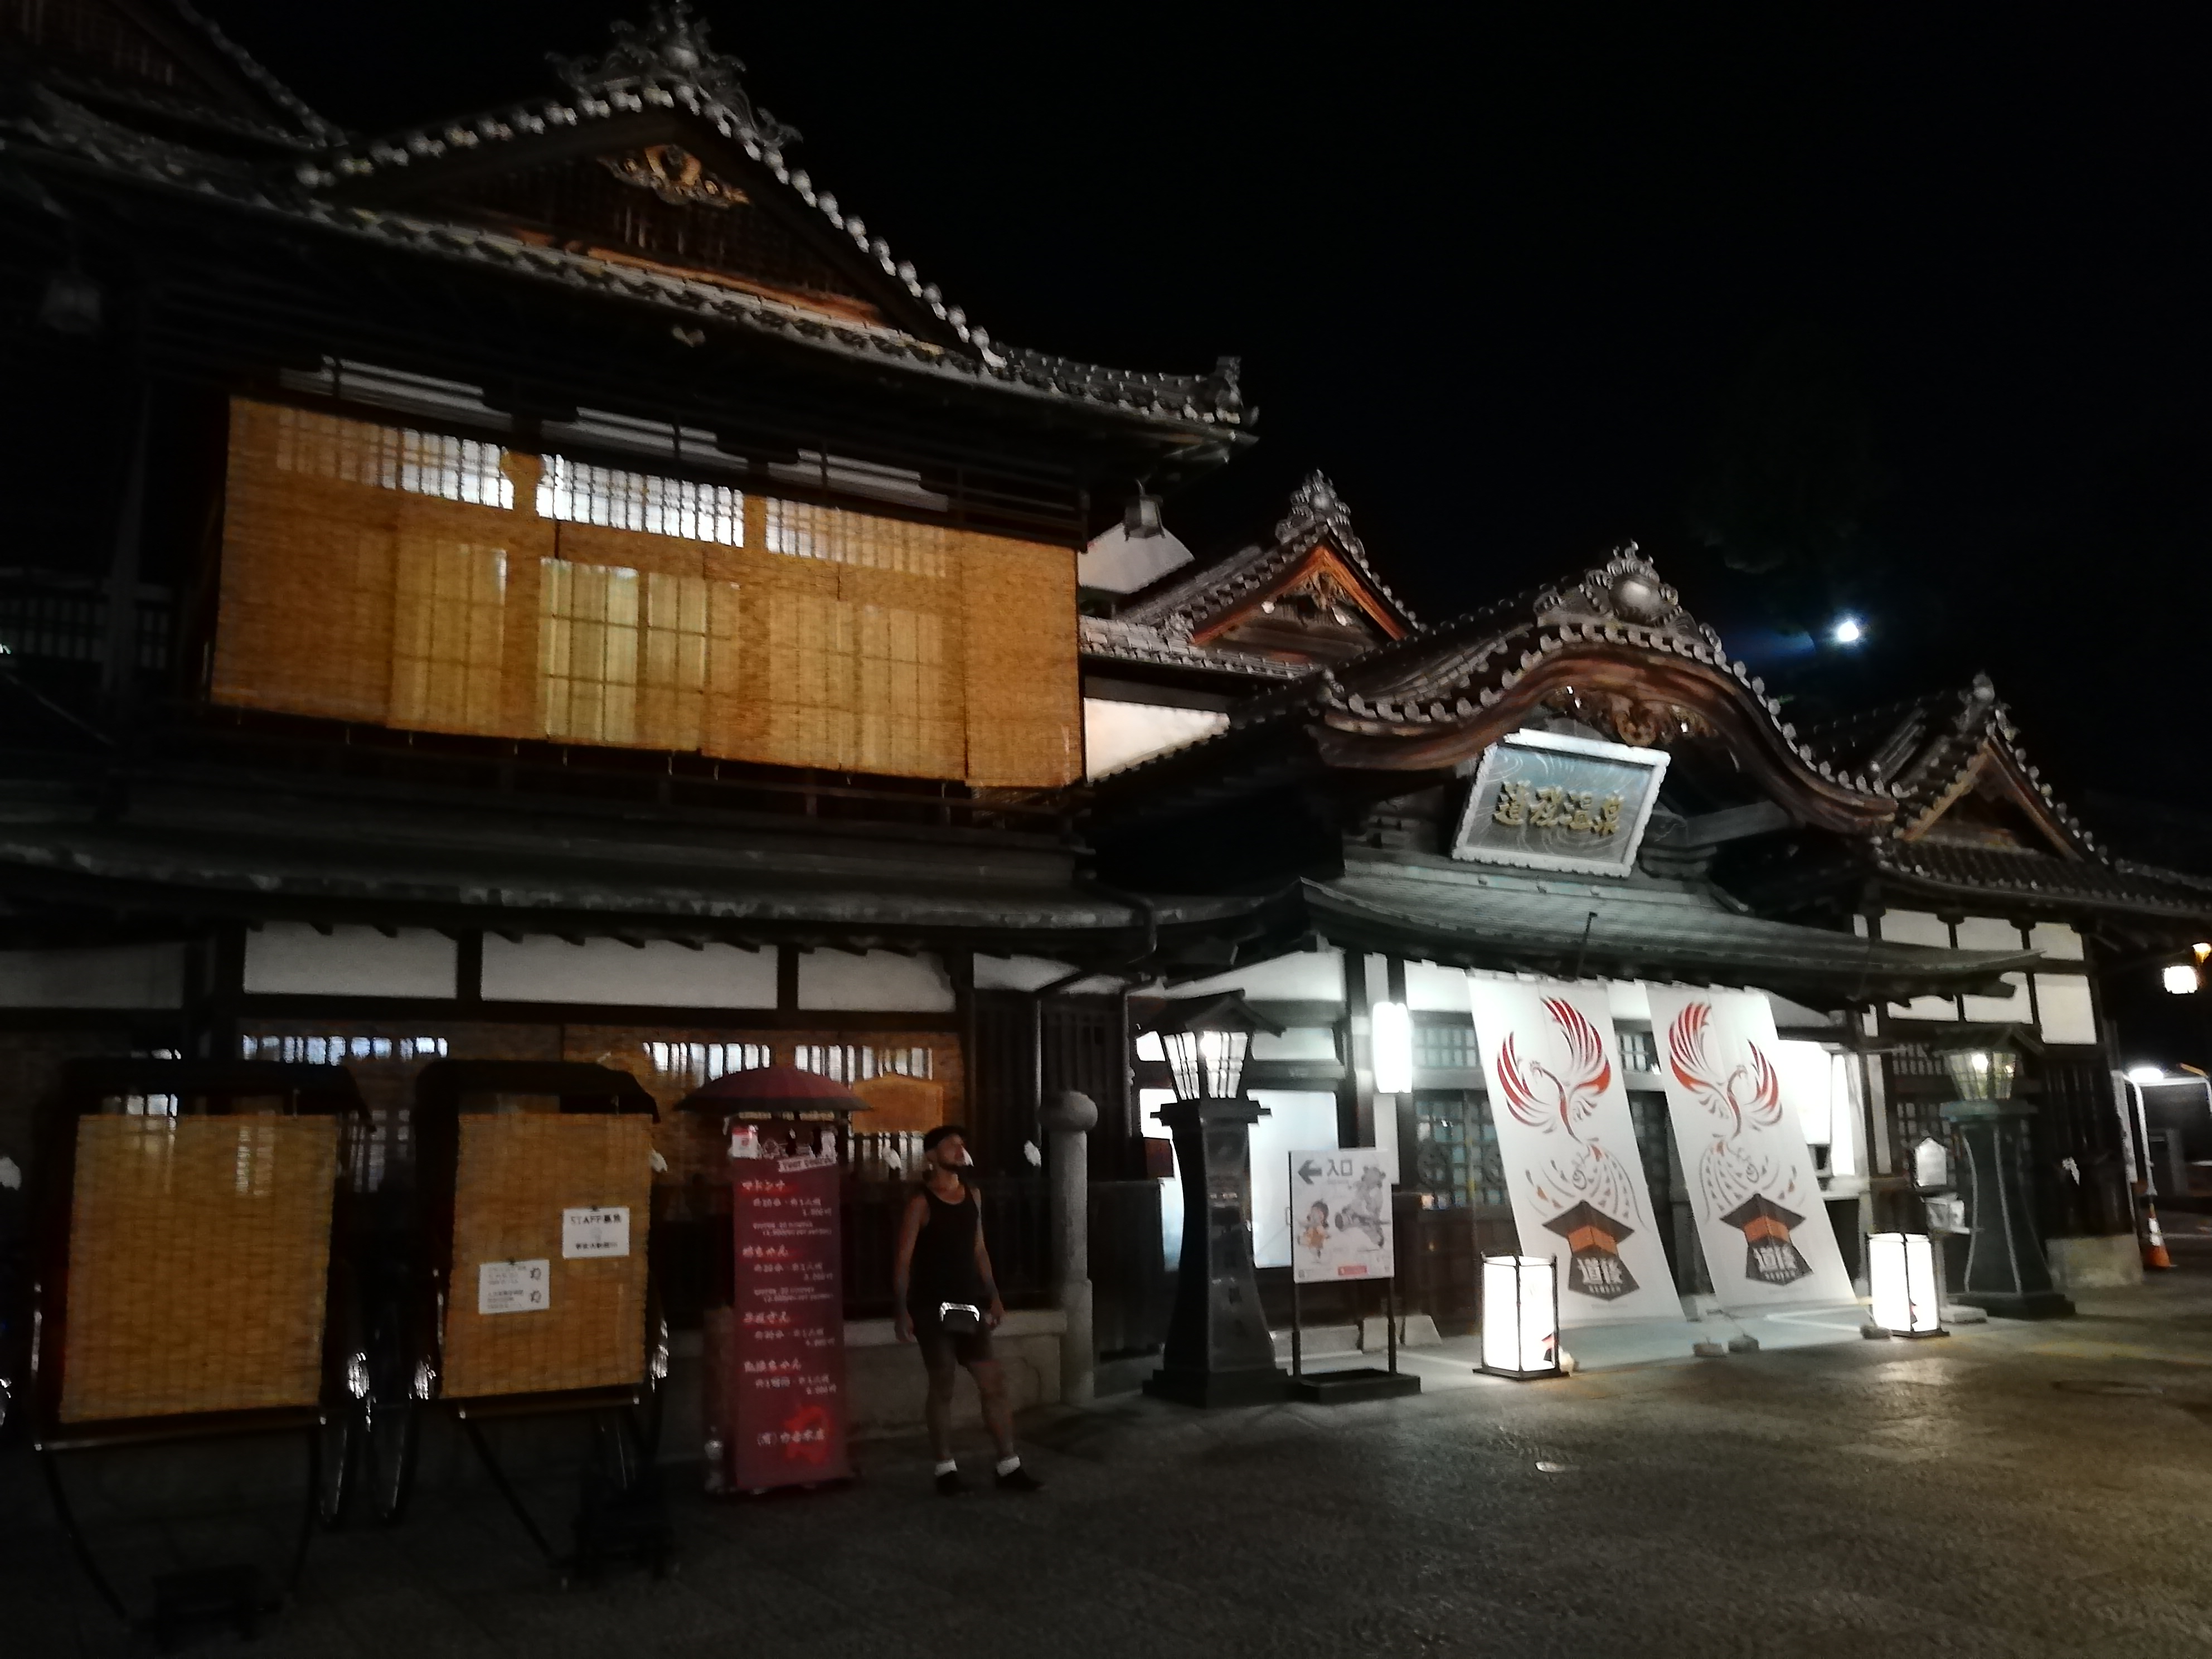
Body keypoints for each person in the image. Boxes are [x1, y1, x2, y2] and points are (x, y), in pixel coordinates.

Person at [892, 1125, 1040, 1495]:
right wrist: (902, 1309)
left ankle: (1008, 1465)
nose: (960, 1150)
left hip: (968, 1303)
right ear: (931, 1155)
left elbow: (979, 1250)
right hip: (931, 1305)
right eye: (951, 1145)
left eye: (962, 1144)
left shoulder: (974, 1196)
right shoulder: (921, 1203)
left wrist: (994, 1295)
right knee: (943, 1383)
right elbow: (903, 1260)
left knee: (993, 1383)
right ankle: (945, 1469)